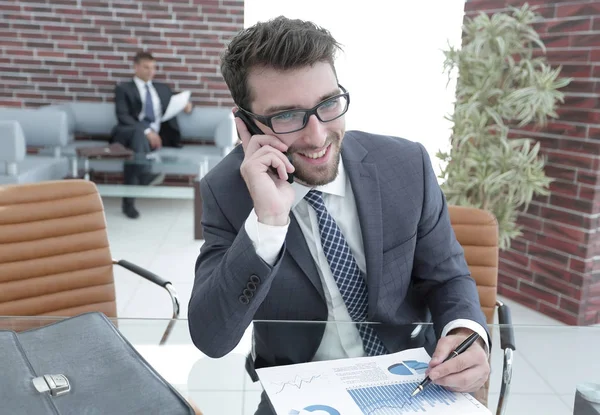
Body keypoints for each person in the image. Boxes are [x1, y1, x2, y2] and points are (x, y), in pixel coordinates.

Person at [188, 16, 491, 414]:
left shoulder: (405, 165)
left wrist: (467, 331)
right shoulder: (227, 190)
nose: (316, 136)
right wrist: (268, 223)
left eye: (328, 104)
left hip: (413, 382)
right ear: (245, 124)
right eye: (287, 116)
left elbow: (448, 276)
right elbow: (212, 338)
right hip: (298, 392)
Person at [110, 51, 193, 219]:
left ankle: (129, 202)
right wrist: (147, 131)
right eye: (146, 67)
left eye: (153, 68)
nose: (150, 71)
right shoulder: (123, 89)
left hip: (155, 138)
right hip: (127, 133)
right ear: (136, 67)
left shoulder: (162, 89)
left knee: (135, 151)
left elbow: (176, 101)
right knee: (137, 137)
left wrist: (188, 105)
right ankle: (144, 176)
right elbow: (123, 116)